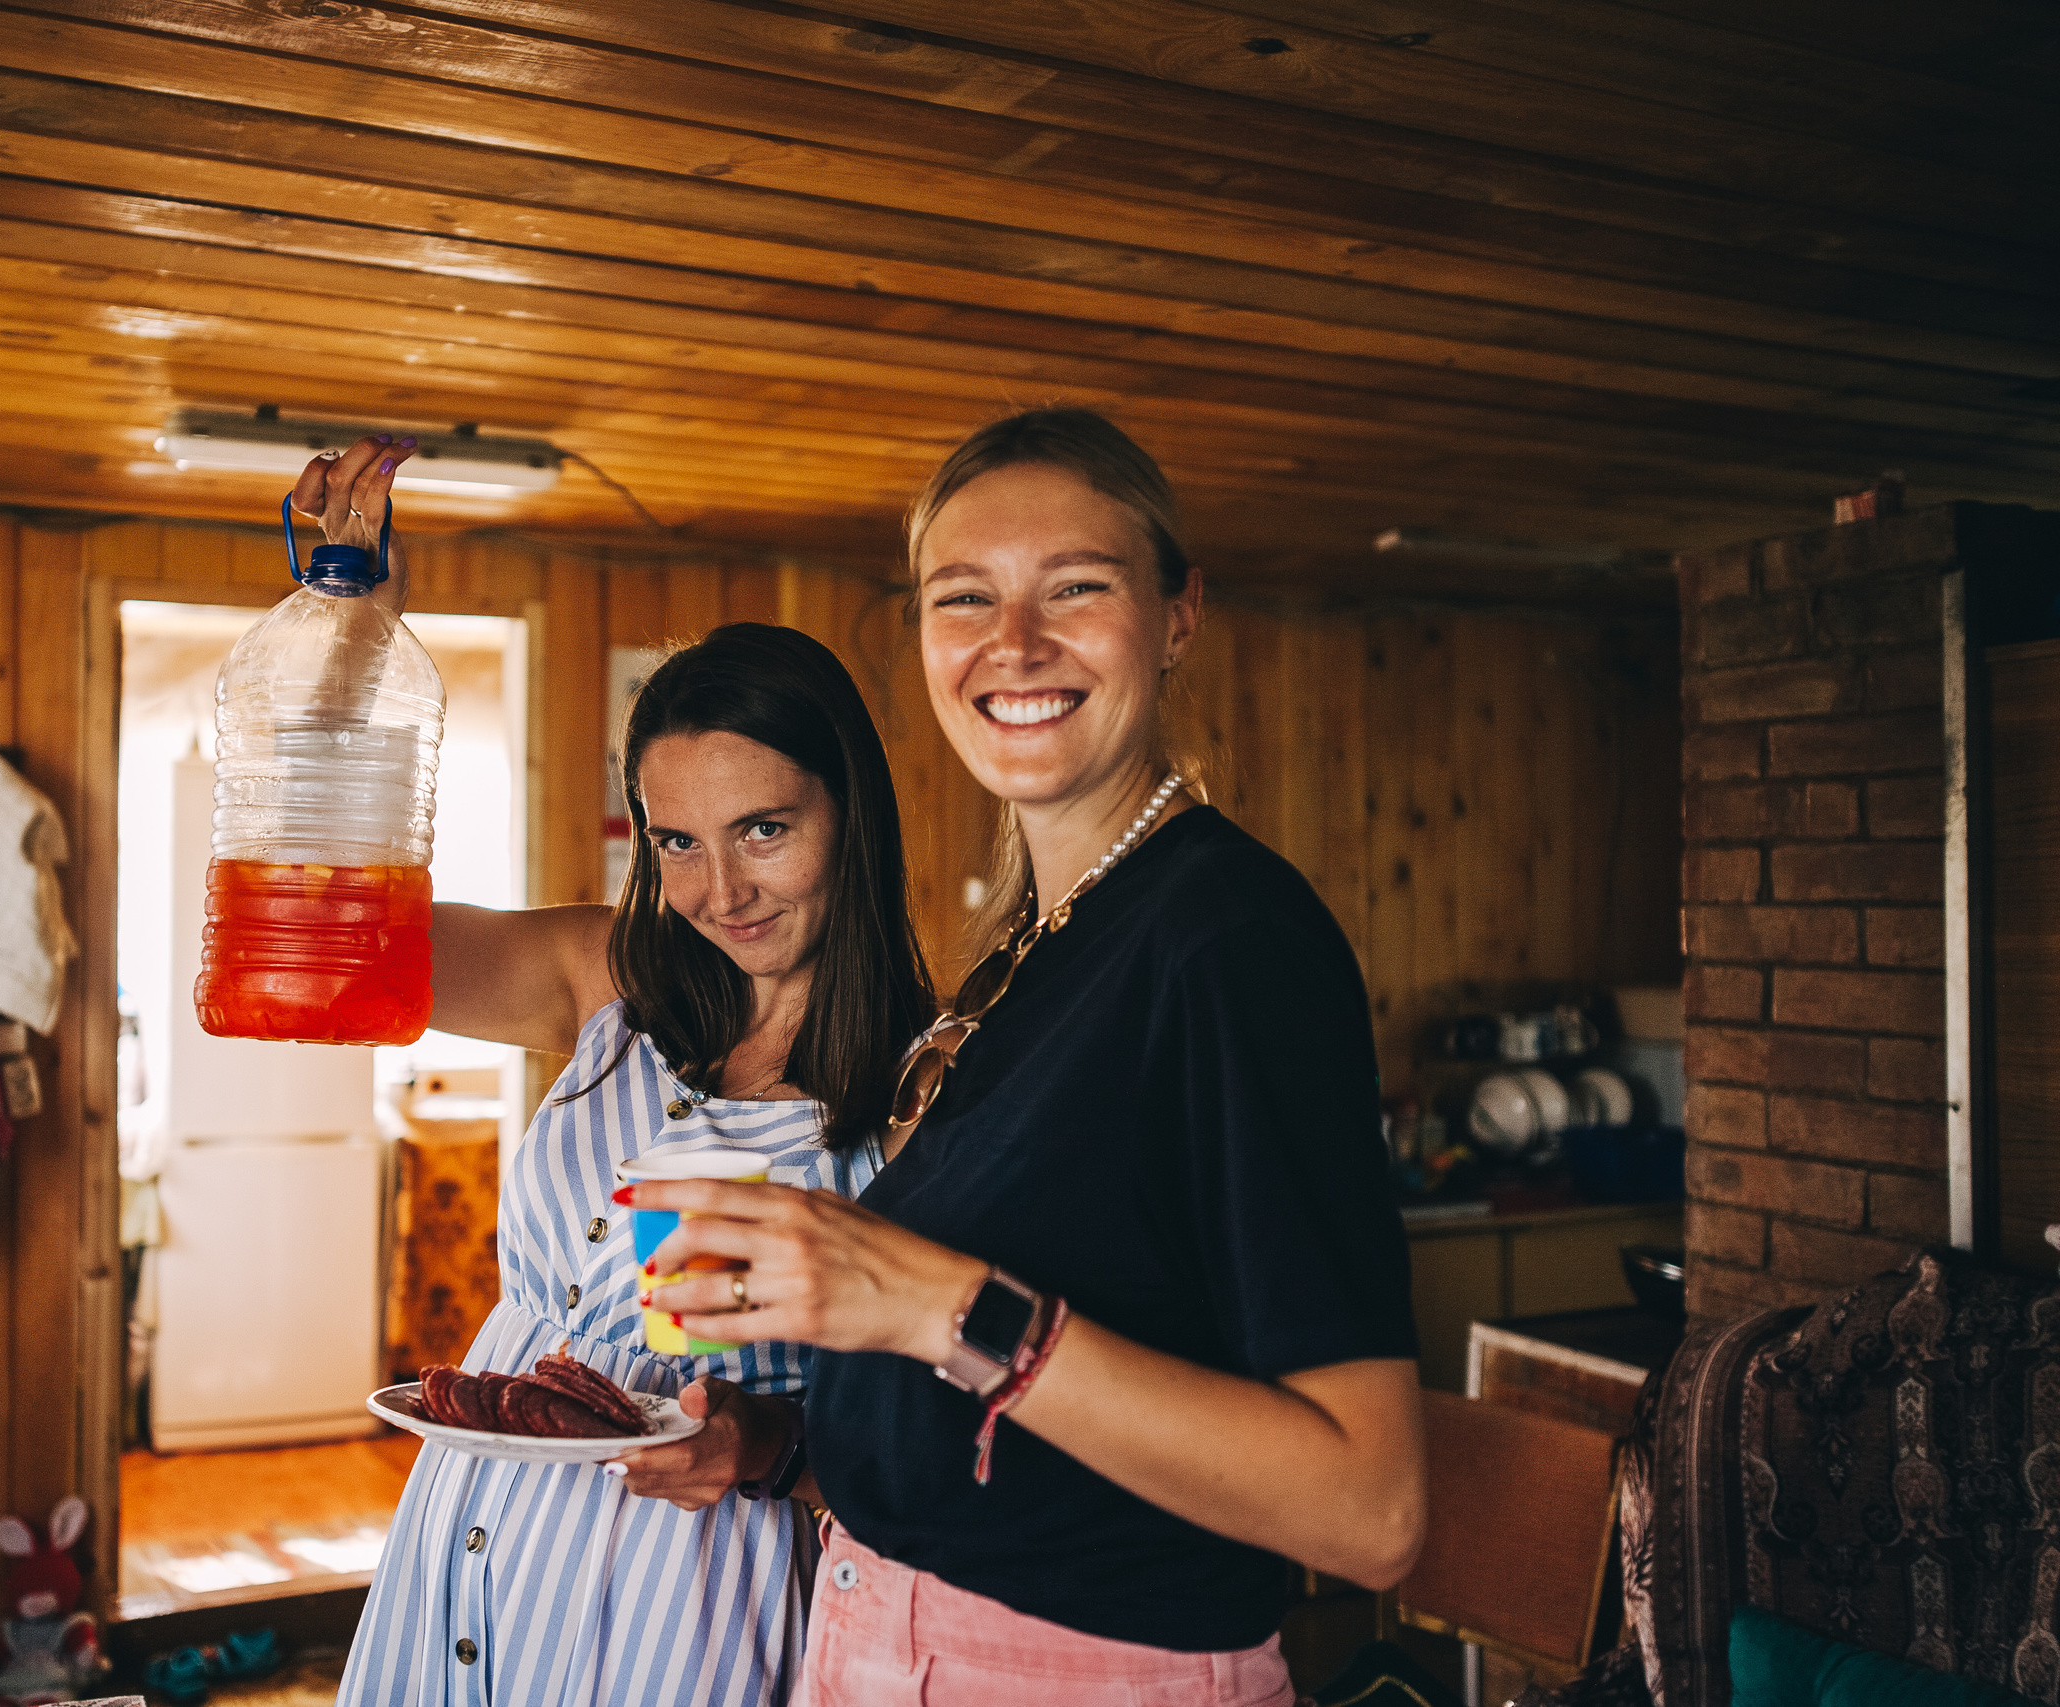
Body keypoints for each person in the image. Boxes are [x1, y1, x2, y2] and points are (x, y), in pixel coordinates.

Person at [632, 410, 1427, 1705]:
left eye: (1075, 588)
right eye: (965, 597)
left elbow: (1368, 1505)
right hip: (886, 1638)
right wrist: (775, 1446)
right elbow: (1025, 1443)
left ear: (1177, 615)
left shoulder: (1232, 940)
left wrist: (933, 1301)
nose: (1013, 643)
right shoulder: (1033, 955)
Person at [294, 441, 939, 1707]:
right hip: (465, 1543)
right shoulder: (609, 980)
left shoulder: (922, 1096)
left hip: (680, 1598)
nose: (720, 891)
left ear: (851, 817)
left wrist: (769, 1443)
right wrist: (353, 644)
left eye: (765, 830)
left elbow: (946, 1444)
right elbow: (326, 946)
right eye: (677, 842)